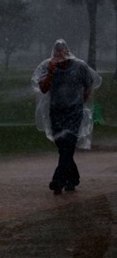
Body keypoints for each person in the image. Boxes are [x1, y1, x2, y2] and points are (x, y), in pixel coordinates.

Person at [31, 39, 101, 195]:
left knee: (68, 144)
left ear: (67, 52)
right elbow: (43, 88)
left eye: (61, 51)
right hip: (56, 112)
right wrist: (50, 71)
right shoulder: (48, 66)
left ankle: (58, 180)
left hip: (74, 112)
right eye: (56, 52)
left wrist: (81, 101)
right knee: (63, 147)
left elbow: (89, 84)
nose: (59, 55)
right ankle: (73, 178)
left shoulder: (79, 66)